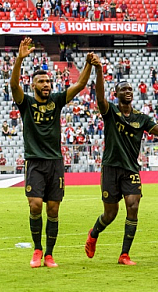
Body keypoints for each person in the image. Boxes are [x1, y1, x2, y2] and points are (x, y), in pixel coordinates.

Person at [85, 67, 158, 265]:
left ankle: (124, 255)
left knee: (133, 207)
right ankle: (94, 233)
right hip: (110, 168)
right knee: (110, 214)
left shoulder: (141, 118)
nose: (128, 91)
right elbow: (99, 98)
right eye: (123, 89)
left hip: (131, 170)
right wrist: (99, 70)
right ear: (116, 94)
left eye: (130, 89)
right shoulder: (110, 112)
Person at [10, 37, 95, 268]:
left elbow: (79, 86)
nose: (47, 84)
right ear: (33, 85)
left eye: (48, 81)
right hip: (35, 162)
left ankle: (49, 254)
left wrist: (87, 65)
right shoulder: (26, 103)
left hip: (55, 162)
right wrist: (19, 59)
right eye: (41, 81)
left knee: (54, 209)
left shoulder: (56, 101)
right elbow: (14, 86)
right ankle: (37, 250)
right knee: (35, 204)